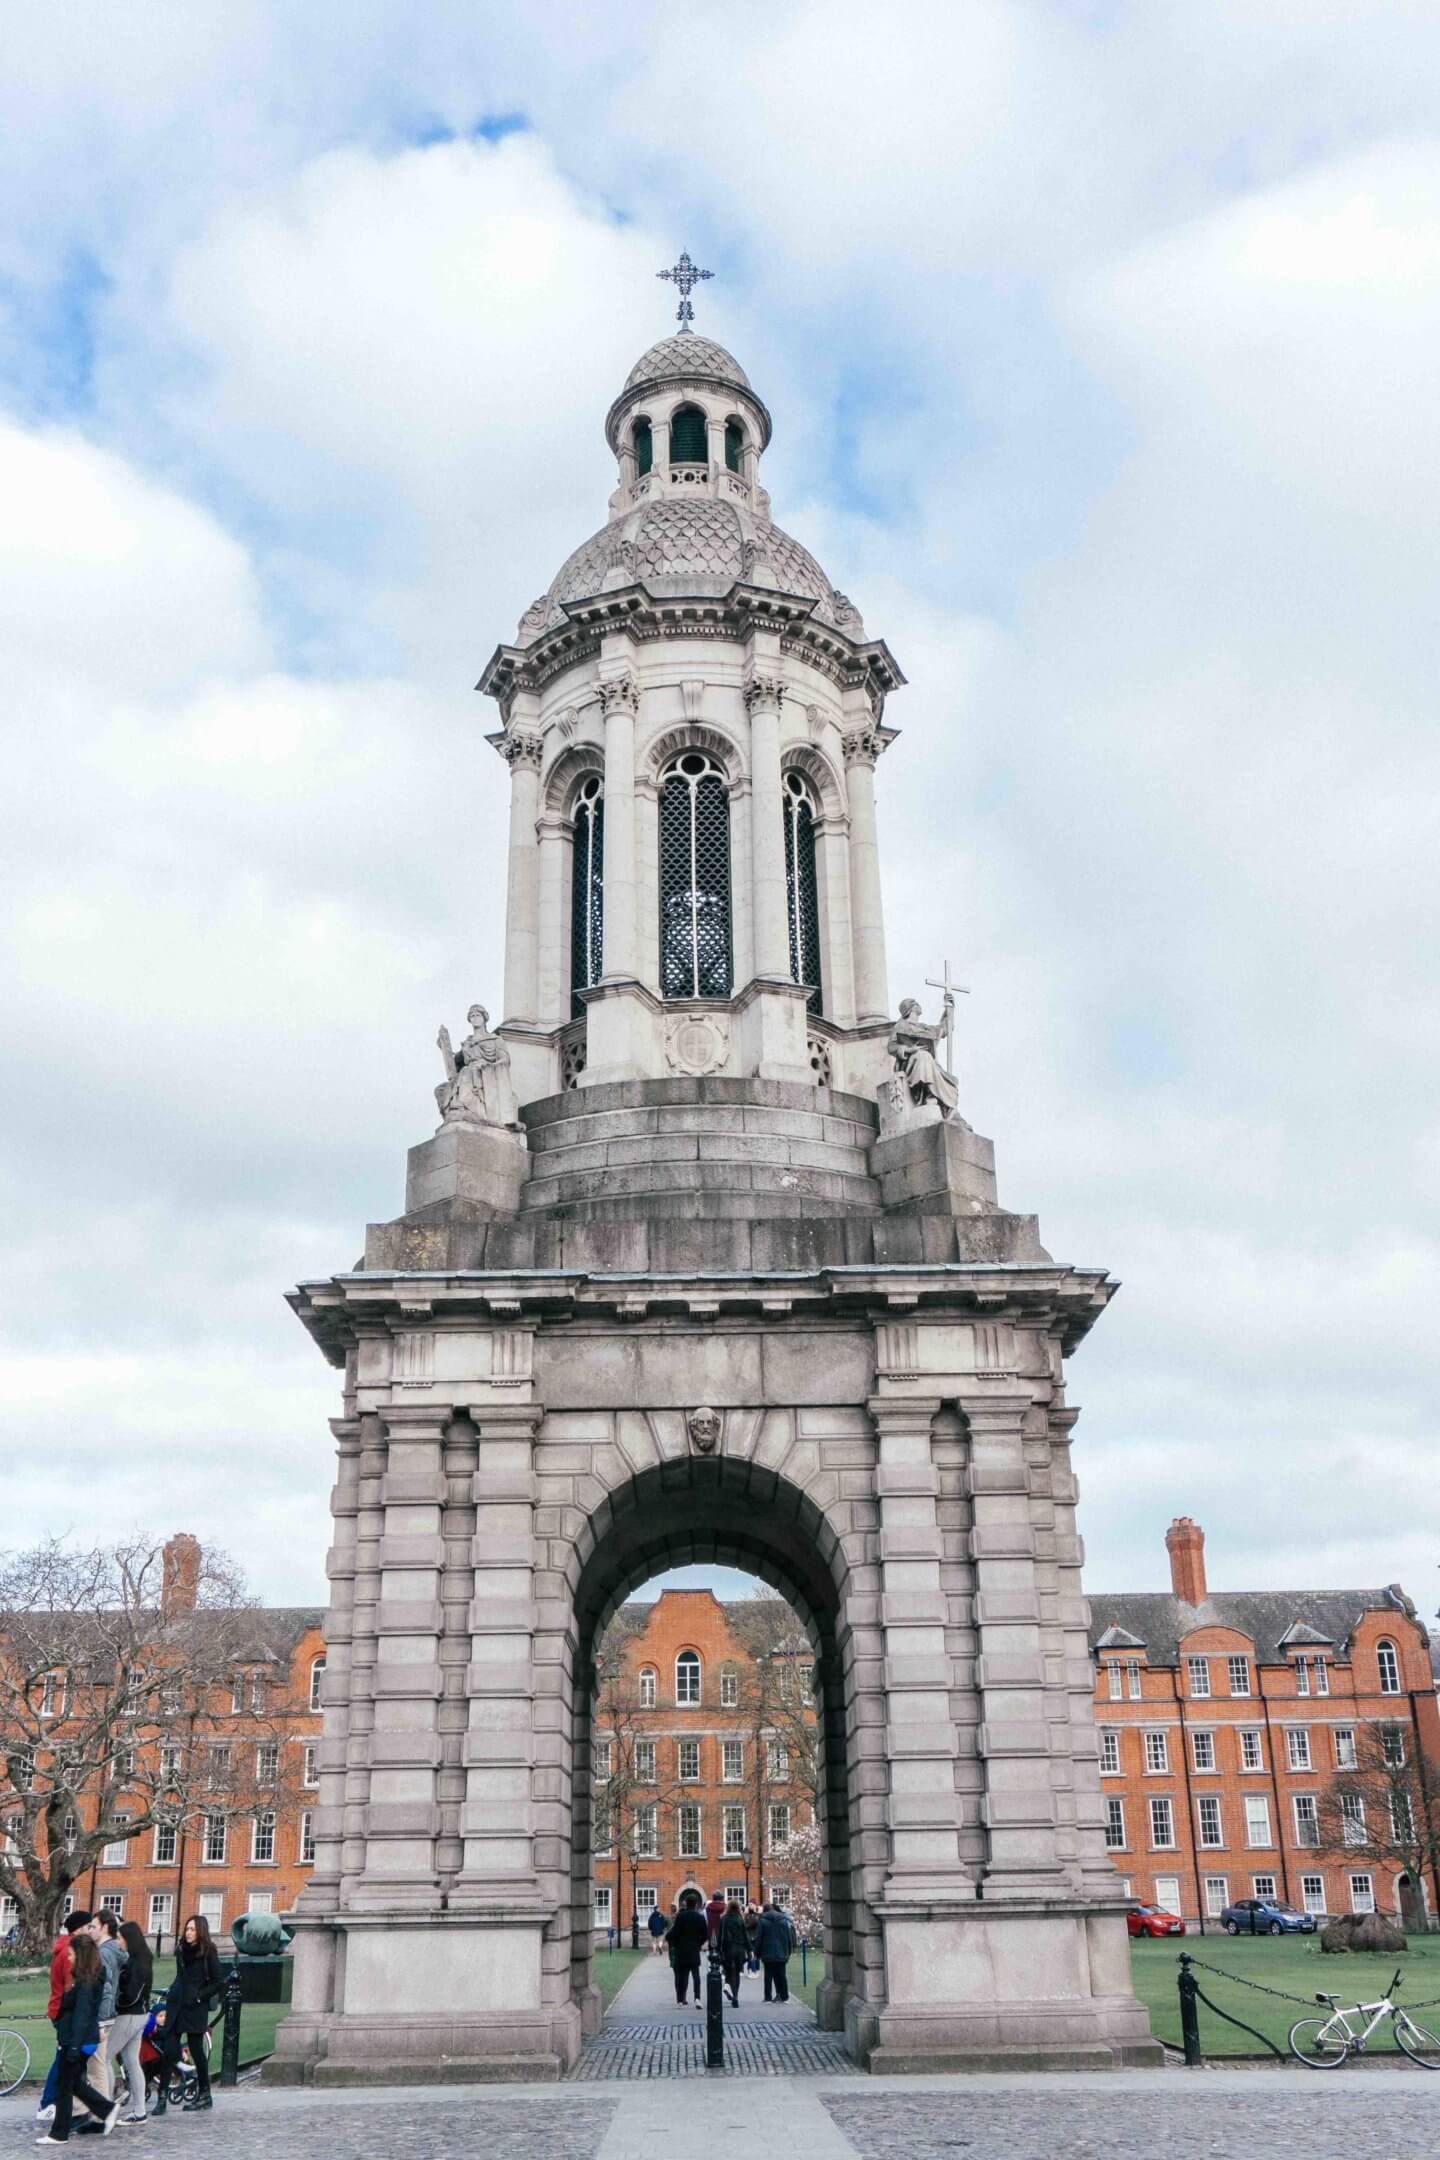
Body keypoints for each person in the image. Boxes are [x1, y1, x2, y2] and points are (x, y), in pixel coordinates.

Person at [38, 1930, 117, 2145]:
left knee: (66, 2084)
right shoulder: (87, 1979)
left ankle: (59, 2133)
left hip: (78, 2040)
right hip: (81, 2039)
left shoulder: (86, 1983)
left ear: (80, 1956)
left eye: (72, 1955)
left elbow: (82, 2015)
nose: (69, 1958)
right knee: (72, 2083)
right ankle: (106, 2109)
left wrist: (73, 2047)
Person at [153, 1914, 222, 2116]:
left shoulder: (209, 1953)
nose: (188, 1933)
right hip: (177, 2005)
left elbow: (218, 1981)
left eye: (192, 1929)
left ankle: (204, 2094)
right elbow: (180, 1977)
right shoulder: (181, 1950)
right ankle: (162, 2098)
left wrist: (199, 1997)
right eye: (187, 1929)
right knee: (168, 2052)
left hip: (194, 2008)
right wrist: (173, 1991)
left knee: (196, 2051)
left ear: (200, 1931)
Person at [35, 1911, 93, 2126]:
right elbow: (72, 1986)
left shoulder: (69, 1948)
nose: (91, 1930)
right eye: (89, 1926)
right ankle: (48, 2102)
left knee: (65, 2059)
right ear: (79, 1928)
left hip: (60, 2009)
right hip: (64, 2011)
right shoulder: (71, 1951)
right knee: (64, 2059)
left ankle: (58, 2102)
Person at [108, 1923, 153, 2125]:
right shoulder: (140, 1959)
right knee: (132, 2062)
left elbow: (131, 1995)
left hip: (129, 2015)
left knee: (103, 2058)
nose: (118, 1941)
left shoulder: (136, 1963)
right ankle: (140, 2111)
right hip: (139, 2015)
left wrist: (115, 2003)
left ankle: (105, 2106)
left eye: (120, 1937)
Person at [87, 1913, 128, 2115]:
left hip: (104, 2014)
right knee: (104, 2062)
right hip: (112, 2011)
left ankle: (103, 2110)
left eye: (93, 1926)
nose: (89, 1930)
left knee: (97, 2065)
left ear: (104, 1928)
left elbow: (106, 1986)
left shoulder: (103, 1952)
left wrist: (101, 2020)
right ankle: (107, 2105)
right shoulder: (116, 1950)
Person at [665, 1889, 708, 2009]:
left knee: (682, 1975)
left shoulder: (681, 1916)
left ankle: (680, 2000)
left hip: (681, 1949)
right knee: (696, 1975)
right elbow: (705, 1934)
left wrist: (674, 1942)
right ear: (696, 1904)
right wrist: (698, 1944)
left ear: (686, 1903)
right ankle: (697, 1998)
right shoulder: (699, 1917)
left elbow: (675, 1932)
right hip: (694, 1949)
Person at [755, 1900, 795, 2005]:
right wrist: (788, 1951)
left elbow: (759, 1938)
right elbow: (788, 1938)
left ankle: (768, 1997)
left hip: (767, 1951)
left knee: (768, 1975)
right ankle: (784, 1996)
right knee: (782, 1975)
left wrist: (757, 1953)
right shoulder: (783, 1921)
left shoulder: (762, 1921)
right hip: (781, 1951)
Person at [718, 1899, 749, 2009]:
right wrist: (750, 1950)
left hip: (728, 1949)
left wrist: (718, 1950)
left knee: (730, 1973)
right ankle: (735, 1996)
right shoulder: (740, 1920)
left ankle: (733, 1994)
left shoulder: (724, 1919)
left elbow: (719, 1936)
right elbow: (745, 1936)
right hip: (740, 1949)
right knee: (737, 1974)